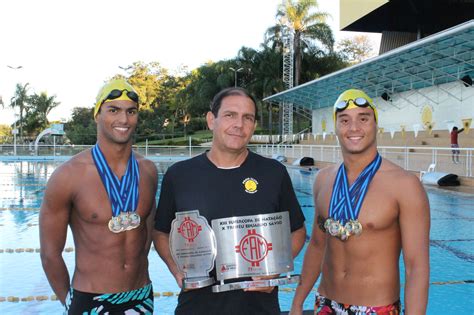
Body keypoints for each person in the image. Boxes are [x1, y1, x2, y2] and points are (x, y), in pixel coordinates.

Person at [153, 87, 306, 315]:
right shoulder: (179, 175)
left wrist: (273, 270)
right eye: (230, 115)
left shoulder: (273, 173)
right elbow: (161, 232)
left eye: (248, 118)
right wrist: (176, 270)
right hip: (197, 307)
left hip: (259, 308)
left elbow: (297, 231)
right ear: (211, 120)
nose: (239, 124)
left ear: (253, 125)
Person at [290, 89, 430, 315]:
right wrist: (298, 302)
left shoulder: (405, 185)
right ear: (336, 127)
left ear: (376, 125)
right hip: (326, 303)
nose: (354, 128)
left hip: (376, 308)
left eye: (363, 119)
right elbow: (317, 245)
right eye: (344, 120)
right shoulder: (323, 179)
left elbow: (417, 267)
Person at [40, 78, 158, 314]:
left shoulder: (148, 171)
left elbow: (146, 235)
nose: (124, 120)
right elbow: (50, 254)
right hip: (90, 299)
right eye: (113, 110)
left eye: (131, 112)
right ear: (97, 115)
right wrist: (72, 302)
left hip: (140, 296)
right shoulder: (68, 176)